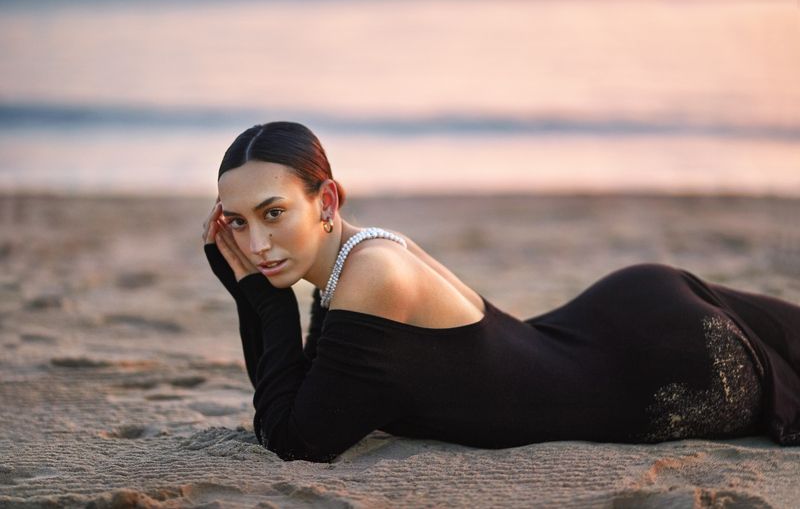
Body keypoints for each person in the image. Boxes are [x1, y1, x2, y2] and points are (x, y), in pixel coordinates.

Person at [202, 121, 800, 463]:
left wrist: (261, 298)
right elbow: (302, 393)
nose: (256, 244)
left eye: (273, 212)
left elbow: (296, 438)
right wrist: (258, 296)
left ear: (326, 201)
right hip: (620, 318)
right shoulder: (357, 259)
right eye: (237, 222)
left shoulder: (375, 275)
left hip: (663, 366)